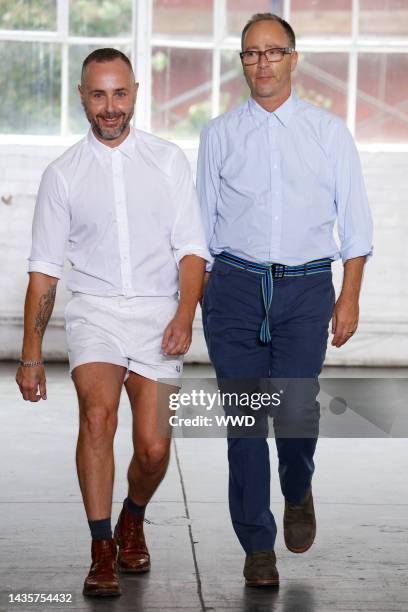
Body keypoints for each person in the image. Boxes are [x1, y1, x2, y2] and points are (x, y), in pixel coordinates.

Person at [16, 48, 210, 598]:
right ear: (82, 95)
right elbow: (45, 274)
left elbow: (193, 250)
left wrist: (183, 315)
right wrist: (31, 356)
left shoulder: (168, 160)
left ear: (135, 94)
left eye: (119, 93)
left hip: (158, 313)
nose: (109, 107)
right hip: (95, 314)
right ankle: (102, 546)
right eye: (98, 94)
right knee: (97, 418)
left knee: (152, 449)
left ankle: (133, 516)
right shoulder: (63, 175)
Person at [197, 13, 373, 587]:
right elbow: (199, 231)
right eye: (251, 53)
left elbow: (357, 226)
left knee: (296, 413)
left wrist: (347, 300)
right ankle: (257, 545)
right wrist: (189, 306)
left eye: (273, 52)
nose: (262, 62)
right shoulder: (218, 135)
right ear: (242, 62)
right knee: (245, 420)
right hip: (234, 288)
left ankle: (297, 488)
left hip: (304, 291)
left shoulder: (328, 134)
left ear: (294, 58)